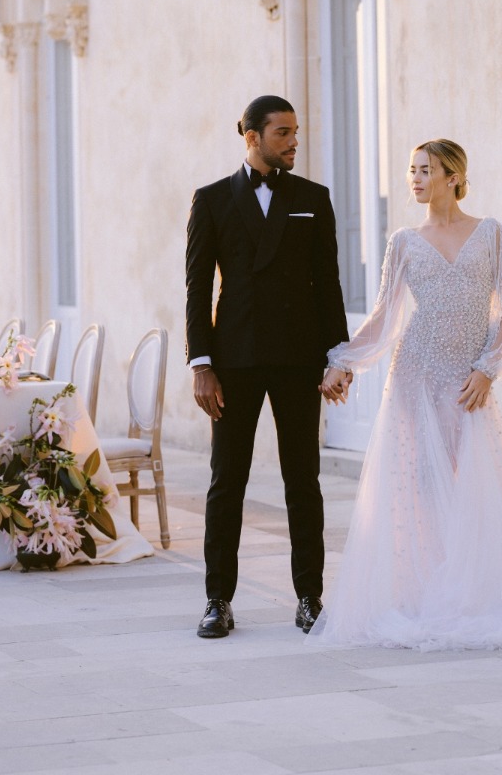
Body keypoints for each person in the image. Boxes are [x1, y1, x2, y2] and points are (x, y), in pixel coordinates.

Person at [313, 139, 502, 650]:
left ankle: (476, 589)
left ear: (452, 176)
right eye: (411, 170)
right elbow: (387, 318)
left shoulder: (490, 233)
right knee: (424, 487)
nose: (414, 179)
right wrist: (342, 362)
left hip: (467, 382)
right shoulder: (404, 242)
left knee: (477, 483)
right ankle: (431, 587)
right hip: (415, 377)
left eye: (424, 170)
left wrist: (486, 370)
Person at [186, 95, 348, 638]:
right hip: (234, 362)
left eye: (296, 132)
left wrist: (337, 358)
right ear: (251, 137)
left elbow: (329, 286)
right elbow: (196, 289)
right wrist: (201, 364)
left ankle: (309, 597)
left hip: (299, 361)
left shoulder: (313, 198)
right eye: (283, 133)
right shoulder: (210, 200)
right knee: (225, 482)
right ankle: (217, 600)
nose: (294, 142)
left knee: (303, 479)